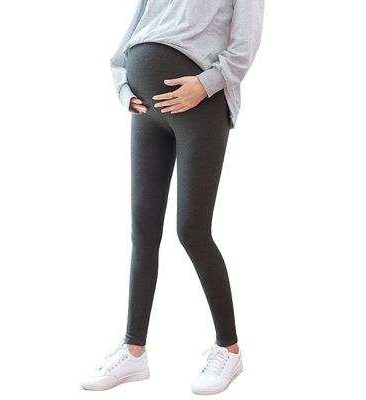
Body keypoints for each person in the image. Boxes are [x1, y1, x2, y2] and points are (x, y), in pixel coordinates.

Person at [80, 0, 264, 395]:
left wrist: (206, 84)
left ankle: (229, 349)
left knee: (192, 231)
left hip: (200, 106)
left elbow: (244, 47)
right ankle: (133, 351)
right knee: (143, 231)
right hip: (145, 111)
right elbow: (129, 42)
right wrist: (122, 86)